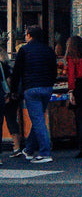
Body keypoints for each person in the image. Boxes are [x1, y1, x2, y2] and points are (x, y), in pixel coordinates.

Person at [13, 27, 57, 164]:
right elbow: (54, 70)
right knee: (38, 119)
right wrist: (50, 83)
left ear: (29, 35)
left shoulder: (24, 50)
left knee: (38, 120)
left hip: (31, 88)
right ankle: (29, 148)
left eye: (26, 35)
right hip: (47, 87)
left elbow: (17, 72)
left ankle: (45, 153)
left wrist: (14, 90)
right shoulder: (49, 50)